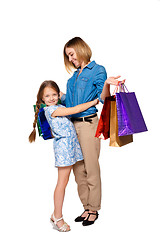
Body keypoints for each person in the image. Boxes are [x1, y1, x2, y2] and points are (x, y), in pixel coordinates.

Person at [61, 37, 124, 226]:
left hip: (88, 124)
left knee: (91, 167)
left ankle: (94, 209)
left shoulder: (98, 70)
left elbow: (103, 99)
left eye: (71, 54)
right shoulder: (72, 78)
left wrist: (107, 84)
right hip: (72, 125)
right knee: (78, 170)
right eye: (68, 56)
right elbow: (70, 104)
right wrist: (52, 95)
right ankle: (86, 207)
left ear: (81, 49)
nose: (71, 59)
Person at [29, 80, 99, 232]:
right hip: (64, 150)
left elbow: (68, 99)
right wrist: (93, 102)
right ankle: (57, 217)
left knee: (74, 178)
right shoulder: (51, 110)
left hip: (72, 148)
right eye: (47, 96)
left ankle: (63, 213)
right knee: (62, 183)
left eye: (54, 94)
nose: (52, 98)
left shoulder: (59, 105)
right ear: (42, 99)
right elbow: (75, 109)